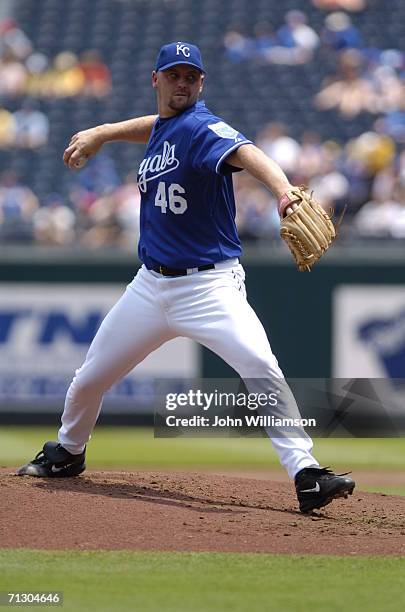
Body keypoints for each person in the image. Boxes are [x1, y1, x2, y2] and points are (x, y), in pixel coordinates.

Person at [18, 42, 355, 514]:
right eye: (174, 75)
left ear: (202, 84)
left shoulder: (202, 126)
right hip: (150, 287)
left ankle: (306, 474)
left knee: (261, 367)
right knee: (88, 380)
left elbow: (246, 150)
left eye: (191, 77)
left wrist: (282, 191)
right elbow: (152, 126)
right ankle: (67, 453)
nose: (183, 83)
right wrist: (101, 132)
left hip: (209, 287)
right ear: (156, 80)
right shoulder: (165, 127)